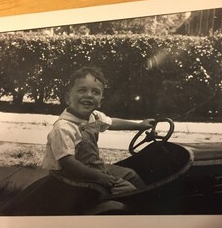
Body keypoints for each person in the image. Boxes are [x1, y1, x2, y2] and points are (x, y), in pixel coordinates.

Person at [42, 66, 154, 195]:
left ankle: (144, 204)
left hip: (93, 168)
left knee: (131, 175)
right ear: (68, 98)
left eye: (95, 92)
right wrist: (100, 177)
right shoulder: (63, 127)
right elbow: (69, 164)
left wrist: (139, 125)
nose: (89, 95)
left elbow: (112, 123)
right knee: (127, 189)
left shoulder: (94, 116)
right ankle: (133, 209)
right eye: (82, 90)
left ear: (100, 101)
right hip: (71, 177)